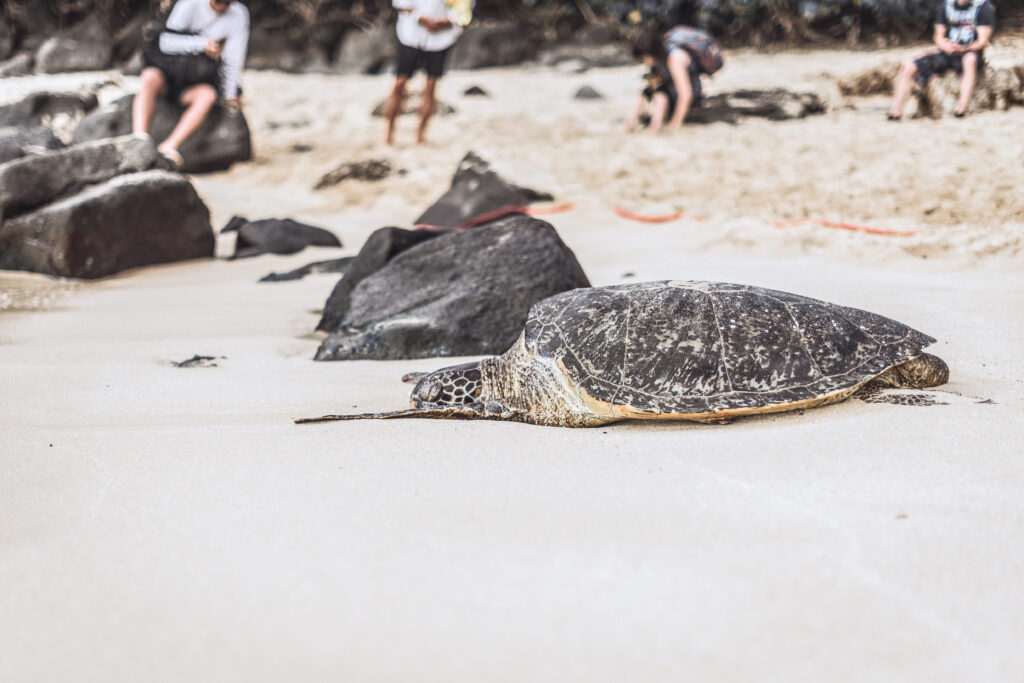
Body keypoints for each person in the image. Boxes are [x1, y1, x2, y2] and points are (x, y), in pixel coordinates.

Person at [132, 0, 250, 167]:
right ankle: (139, 138)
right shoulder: (189, 4)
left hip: (194, 83)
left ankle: (170, 146)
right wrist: (202, 44)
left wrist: (230, 95)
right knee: (149, 76)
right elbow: (166, 42)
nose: (221, 6)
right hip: (167, 76)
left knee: (208, 95)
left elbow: (234, 60)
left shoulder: (239, 14)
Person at [888, 0, 995, 120]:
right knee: (908, 65)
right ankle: (896, 111)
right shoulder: (947, 5)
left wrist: (964, 48)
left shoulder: (982, 6)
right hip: (948, 52)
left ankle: (961, 108)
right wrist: (946, 45)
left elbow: (983, 41)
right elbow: (938, 36)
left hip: (970, 51)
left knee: (969, 60)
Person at [384, 0, 472, 145]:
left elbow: (464, 11)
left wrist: (446, 21)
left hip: (441, 38)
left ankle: (419, 137)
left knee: (431, 85)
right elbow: (401, 3)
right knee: (400, 82)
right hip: (410, 35)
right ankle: (388, 134)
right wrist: (420, 17)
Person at [623, 27, 717, 132]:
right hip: (671, 89)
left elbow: (686, 94)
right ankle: (627, 126)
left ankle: (654, 129)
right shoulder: (661, 56)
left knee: (660, 98)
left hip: (689, 93)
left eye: (645, 56)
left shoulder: (675, 58)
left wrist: (675, 124)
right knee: (643, 95)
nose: (645, 60)